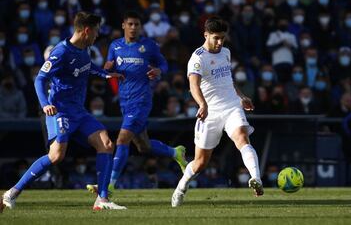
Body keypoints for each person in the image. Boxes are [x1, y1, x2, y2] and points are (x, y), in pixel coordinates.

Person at [0, 12, 126, 212]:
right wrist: (44, 104)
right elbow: (39, 79)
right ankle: (12, 193)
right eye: (96, 30)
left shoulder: (84, 49)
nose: (97, 35)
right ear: (87, 30)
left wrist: (106, 74)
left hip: (79, 111)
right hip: (61, 112)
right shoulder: (61, 52)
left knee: (106, 143)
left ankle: (101, 200)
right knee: (56, 155)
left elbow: (88, 67)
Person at [86, 11, 187, 194]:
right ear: (123, 25)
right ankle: (175, 152)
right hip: (124, 100)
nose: (133, 28)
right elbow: (109, 65)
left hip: (141, 100)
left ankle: (109, 184)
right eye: (130, 24)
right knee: (143, 146)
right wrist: (108, 68)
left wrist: (158, 70)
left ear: (140, 27)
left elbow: (163, 64)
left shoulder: (149, 45)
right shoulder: (115, 46)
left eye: (137, 24)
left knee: (122, 138)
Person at [171, 16, 263, 207]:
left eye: (223, 38)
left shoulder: (226, 52)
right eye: (216, 38)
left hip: (231, 107)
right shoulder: (198, 58)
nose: (220, 42)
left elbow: (227, 80)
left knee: (242, 138)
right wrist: (202, 105)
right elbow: (193, 86)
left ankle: (256, 179)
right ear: (206, 35)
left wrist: (241, 97)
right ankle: (181, 188)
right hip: (210, 112)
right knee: (200, 163)